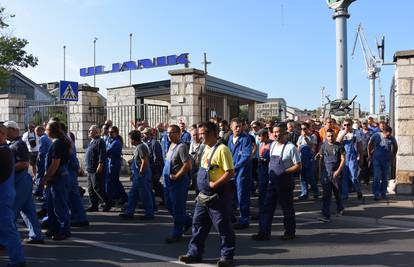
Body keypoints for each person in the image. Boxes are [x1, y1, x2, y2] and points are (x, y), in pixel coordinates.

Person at [179, 122, 235, 267]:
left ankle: (227, 257)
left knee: (223, 227)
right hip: (203, 195)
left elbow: (230, 172)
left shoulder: (223, 150)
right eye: (199, 134)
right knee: (198, 225)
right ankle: (194, 254)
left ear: (213, 134)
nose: (200, 136)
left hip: (218, 196)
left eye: (203, 134)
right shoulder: (206, 148)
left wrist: (215, 184)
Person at [252, 123, 301, 241]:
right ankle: (263, 233)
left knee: (287, 208)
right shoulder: (273, 145)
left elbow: (298, 165)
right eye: (274, 132)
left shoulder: (291, 147)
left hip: (285, 182)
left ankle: (290, 232)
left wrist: (285, 171)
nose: (275, 134)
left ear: (285, 133)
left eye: (278, 132)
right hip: (272, 182)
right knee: (266, 207)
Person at [5, 121, 44, 244]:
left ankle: (5, 240)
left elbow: (24, 163)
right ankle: (36, 235)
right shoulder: (14, 143)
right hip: (22, 180)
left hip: (20, 180)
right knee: (28, 210)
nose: (4, 133)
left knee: (11, 211)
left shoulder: (18, 144)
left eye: (6, 130)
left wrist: (7, 168)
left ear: (13, 130)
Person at [0, 123, 26, 267]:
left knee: (8, 228)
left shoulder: (3, 151)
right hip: (5, 192)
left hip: (3, 195)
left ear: (2, 135)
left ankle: (18, 261)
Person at [162, 124, 192, 243]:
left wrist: (177, 175)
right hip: (167, 181)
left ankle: (177, 232)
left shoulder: (182, 147)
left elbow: (187, 164)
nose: (169, 135)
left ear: (179, 133)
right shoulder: (170, 146)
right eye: (168, 132)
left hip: (178, 182)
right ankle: (188, 221)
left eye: (172, 132)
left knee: (178, 207)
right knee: (169, 205)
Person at [42, 121, 72, 240]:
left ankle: (65, 230)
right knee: (51, 205)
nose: (45, 131)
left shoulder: (58, 143)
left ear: (52, 131)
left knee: (59, 205)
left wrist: (46, 178)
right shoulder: (58, 142)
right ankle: (54, 228)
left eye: (47, 129)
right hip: (55, 178)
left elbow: (55, 164)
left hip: (58, 178)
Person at [119, 130, 154, 220]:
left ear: (134, 139)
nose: (130, 140)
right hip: (138, 175)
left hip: (142, 175)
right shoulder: (138, 147)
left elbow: (144, 161)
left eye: (130, 138)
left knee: (145, 195)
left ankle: (149, 214)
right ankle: (129, 212)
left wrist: (141, 173)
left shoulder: (141, 147)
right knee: (133, 195)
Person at [228, 118, 252, 229]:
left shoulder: (245, 138)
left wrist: (235, 166)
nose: (238, 128)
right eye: (236, 126)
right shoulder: (230, 138)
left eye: (240, 126)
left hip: (242, 172)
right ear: (231, 127)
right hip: (231, 172)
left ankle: (244, 219)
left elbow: (246, 156)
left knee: (242, 195)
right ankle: (232, 217)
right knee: (231, 196)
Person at [316, 129, 345, 222]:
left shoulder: (339, 146)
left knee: (337, 193)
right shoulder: (323, 146)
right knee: (326, 195)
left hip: (336, 174)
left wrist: (338, 171)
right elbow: (321, 159)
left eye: (332, 135)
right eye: (328, 136)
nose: (330, 137)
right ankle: (325, 215)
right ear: (326, 137)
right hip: (326, 174)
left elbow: (343, 159)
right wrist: (320, 174)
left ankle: (340, 208)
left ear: (335, 136)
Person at [85, 125, 113, 212]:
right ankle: (94, 205)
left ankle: (108, 203)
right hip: (90, 169)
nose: (89, 132)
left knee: (97, 188)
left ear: (96, 132)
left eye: (90, 130)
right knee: (90, 189)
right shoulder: (91, 142)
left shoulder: (100, 141)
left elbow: (102, 154)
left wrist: (100, 164)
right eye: (89, 130)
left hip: (96, 168)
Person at [368, 126, 398, 200]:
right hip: (376, 159)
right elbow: (369, 144)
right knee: (377, 176)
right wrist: (369, 154)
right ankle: (376, 193)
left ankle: (383, 193)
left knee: (385, 177)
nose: (389, 135)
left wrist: (393, 156)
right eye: (387, 134)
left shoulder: (391, 138)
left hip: (386, 160)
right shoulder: (376, 135)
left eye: (390, 134)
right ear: (383, 131)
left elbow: (395, 146)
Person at [336, 119, 364, 200]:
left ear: (351, 125)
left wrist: (361, 157)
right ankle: (345, 194)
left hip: (352, 157)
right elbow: (337, 142)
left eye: (348, 125)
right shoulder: (341, 132)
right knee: (344, 177)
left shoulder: (356, 133)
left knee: (354, 176)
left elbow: (360, 146)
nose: (346, 126)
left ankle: (358, 190)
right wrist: (344, 133)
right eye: (345, 125)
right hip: (344, 157)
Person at [105, 126, 128, 205]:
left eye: (111, 132)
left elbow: (107, 151)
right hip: (109, 163)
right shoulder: (109, 140)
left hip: (114, 164)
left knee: (113, 182)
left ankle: (113, 199)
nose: (109, 134)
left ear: (116, 133)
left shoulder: (116, 143)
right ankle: (121, 197)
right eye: (109, 132)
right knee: (113, 182)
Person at [297, 122, 319, 200]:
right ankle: (304, 193)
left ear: (308, 128)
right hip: (302, 158)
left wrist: (306, 139)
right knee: (302, 177)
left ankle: (316, 191)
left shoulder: (313, 136)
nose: (303, 130)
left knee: (310, 177)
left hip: (309, 159)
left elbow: (313, 148)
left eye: (304, 128)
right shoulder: (300, 137)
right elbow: (298, 148)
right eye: (301, 129)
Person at [142, 127, 165, 206]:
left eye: (145, 133)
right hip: (150, 167)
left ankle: (151, 203)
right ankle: (163, 199)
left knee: (152, 185)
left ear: (149, 134)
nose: (143, 135)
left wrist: (155, 171)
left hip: (155, 168)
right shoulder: (147, 142)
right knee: (155, 185)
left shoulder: (154, 143)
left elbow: (157, 158)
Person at [257, 128, 272, 215]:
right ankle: (262, 208)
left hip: (268, 171)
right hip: (261, 170)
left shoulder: (271, 145)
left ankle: (266, 209)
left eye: (260, 136)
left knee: (266, 190)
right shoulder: (261, 144)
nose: (258, 138)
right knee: (261, 190)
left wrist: (265, 160)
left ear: (265, 136)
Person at [33, 126, 52, 197]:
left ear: (40, 131)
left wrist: (38, 159)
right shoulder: (48, 137)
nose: (36, 133)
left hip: (43, 159)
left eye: (36, 131)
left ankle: (39, 191)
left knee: (39, 175)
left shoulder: (42, 138)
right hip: (48, 159)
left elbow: (41, 151)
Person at [189, 125, 204, 194]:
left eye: (196, 135)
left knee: (201, 186)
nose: (195, 137)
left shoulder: (204, 144)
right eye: (193, 135)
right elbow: (190, 154)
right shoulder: (192, 143)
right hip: (193, 168)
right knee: (196, 186)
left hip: (201, 168)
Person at [359, 120, 373, 185]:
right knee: (360, 166)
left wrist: (371, 152)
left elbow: (373, 143)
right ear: (361, 124)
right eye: (363, 123)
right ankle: (360, 180)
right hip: (360, 152)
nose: (364, 125)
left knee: (367, 167)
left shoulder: (371, 132)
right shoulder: (359, 132)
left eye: (365, 123)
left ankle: (366, 181)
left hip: (368, 152)